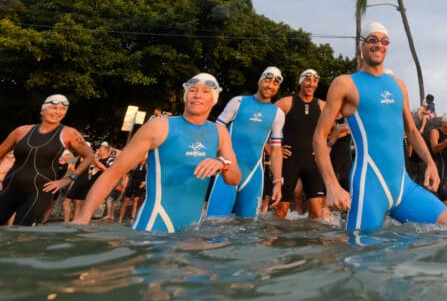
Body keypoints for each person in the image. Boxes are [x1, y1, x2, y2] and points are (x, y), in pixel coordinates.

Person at [312, 21, 447, 232]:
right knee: (362, 253)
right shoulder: (345, 84)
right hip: (370, 187)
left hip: (403, 187)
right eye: (372, 40)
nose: (378, 45)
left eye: (384, 41)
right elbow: (319, 137)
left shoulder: (398, 85)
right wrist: (332, 185)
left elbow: (410, 131)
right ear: (362, 45)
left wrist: (430, 162)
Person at [74, 73, 242, 233]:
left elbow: (234, 178)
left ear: (214, 99)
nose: (198, 95)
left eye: (205, 92)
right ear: (186, 96)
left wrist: (222, 164)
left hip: (192, 230)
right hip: (154, 224)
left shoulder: (220, 132)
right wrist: (83, 218)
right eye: (192, 90)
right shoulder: (159, 127)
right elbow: (114, 172)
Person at [0, 94, 94, 226]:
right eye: (54, 107)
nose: (58, 112)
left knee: (21, 233)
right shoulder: (21, 131)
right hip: (9, 188)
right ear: (43, 109)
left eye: (63, 109)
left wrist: (68, 179)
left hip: (38, 192)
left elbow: (90, 156)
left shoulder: (69, 133)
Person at [208, 67, 285, 218]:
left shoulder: (278, 114)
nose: (270, 86)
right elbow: (218, 129)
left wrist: (277, 183)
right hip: (226, 169)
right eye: (267, 80)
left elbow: (276, 151)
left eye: (275, 83)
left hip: (254, 174)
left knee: (248, 229)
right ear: (260, 81)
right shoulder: (238, 101)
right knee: (214, 223)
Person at [274, 68, 329, 219]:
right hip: (289, 161)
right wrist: (271, 149)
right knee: (281, 211)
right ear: (301, 82)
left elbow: (332, 133)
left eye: (315, 80)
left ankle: (312, 243)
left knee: (318, 214)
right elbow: (264, 125)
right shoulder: (286, 103)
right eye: (307, 80)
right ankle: (276, 241)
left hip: (313, 162)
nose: (311, 84)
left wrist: (324, 153)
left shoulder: (323, 106)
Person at [118, 155, 147, 223]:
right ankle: (120, 219)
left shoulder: (147, 166)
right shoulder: (135, 164)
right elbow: (125, 171)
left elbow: (150, 175)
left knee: (135, 201)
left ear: (145, 158)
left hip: (140, 185)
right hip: (131, 183)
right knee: (126, 201)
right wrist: (124, 181)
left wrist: (145, 182)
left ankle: (132, 219)